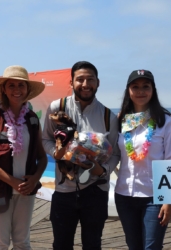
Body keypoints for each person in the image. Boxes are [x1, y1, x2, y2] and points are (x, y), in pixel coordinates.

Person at [42, 61, 120, 249]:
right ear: (71, 83)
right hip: (63, 190)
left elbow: (116, 154)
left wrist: (103, 170)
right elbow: (45, 140)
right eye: (80, 79)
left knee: (93, 245)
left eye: (90, 79)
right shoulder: (57, 107)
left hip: (96, 191)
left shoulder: (109, 116)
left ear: (98, 83)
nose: (85, 84)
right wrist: (58, 152)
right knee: (61, 244)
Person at [0, 65, 48, 250]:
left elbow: (42, 157)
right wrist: (12, 181)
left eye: (21, 85)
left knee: (22, 242)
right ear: (4, 89)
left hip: (26, 190)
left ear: (27, 90)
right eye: (12, 85)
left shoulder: (32, 119)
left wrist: (35, 178)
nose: (17, 90)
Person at [114, 69, 171, 249]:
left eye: (146, 86)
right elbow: (112, 153)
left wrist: (169, 199)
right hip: (124, 195)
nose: (140, 91)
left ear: (153, 90)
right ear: (128, 90)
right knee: (133, 245)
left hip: (155, 196)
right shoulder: (120, 120)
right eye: (135, 87)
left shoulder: (165, 121)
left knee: (151, 246)